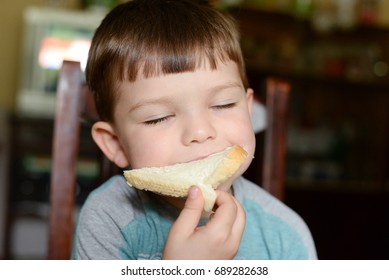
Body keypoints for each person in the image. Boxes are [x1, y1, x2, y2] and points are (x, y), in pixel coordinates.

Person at [72, 0, 317, 260]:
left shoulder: (286, 235)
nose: (200, 132)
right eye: (158, 118)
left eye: (224, 104)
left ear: (247, 109)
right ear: (115, 144)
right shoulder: (109, 218)